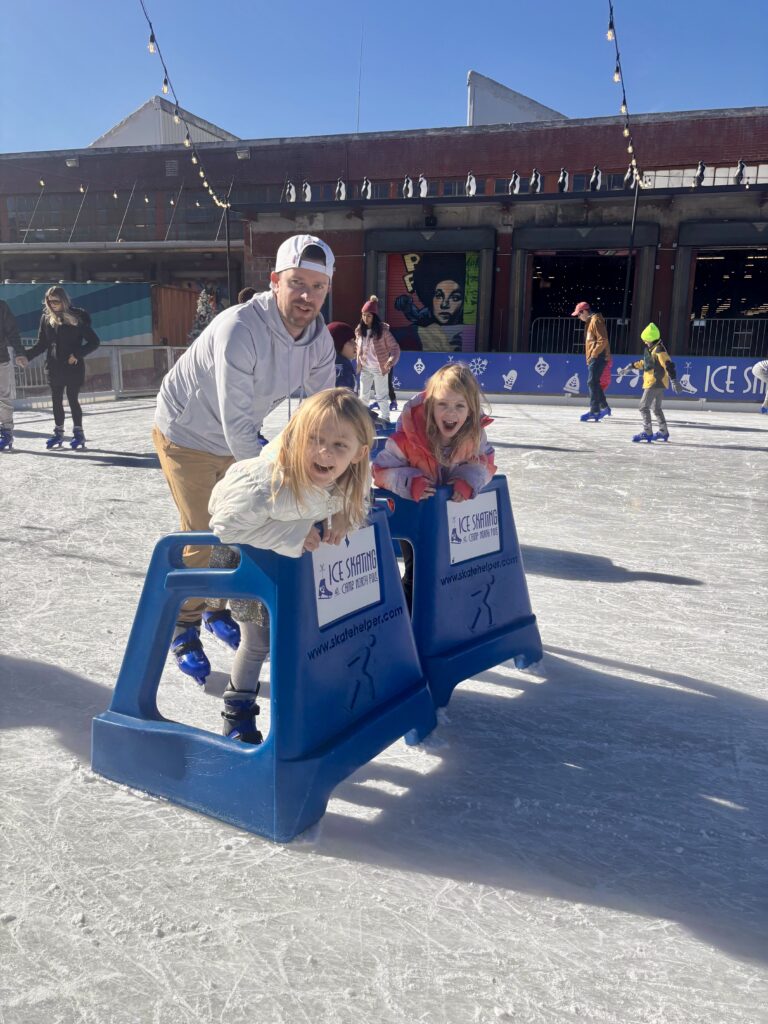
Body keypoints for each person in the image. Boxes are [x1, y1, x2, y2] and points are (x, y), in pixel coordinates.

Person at [152, 233, 338, 683]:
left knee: (243, 525)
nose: (307, 296)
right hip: (187, 433)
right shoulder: (240, 328)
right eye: (297, 283)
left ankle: (218, 609)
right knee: (204, 533)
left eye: (317, 286)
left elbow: (324, 421)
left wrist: (326, 484)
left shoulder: (319, 344)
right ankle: (184, 625)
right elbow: (236, 425)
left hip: (235, 434)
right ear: (274, 281)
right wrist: (279, 489)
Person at [207, 388, 374, 743]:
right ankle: (237, 713)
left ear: (358, 453)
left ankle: (309, 710)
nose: (324, 451)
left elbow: (353, 494)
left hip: (287, 560)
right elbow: (225, 526)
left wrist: (344, 514)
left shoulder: (345, 476)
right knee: (257, 643)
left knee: (303, 638)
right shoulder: (266, 481)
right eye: (315, 439)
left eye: (339, 446)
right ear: (298, 435)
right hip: (248, 558)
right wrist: (292, 536)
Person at [372, 362, 496, 611]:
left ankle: (444, 618)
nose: (451, 413)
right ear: (430, 406)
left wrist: (467, 479)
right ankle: (407, 624)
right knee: (418, 571)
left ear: (471, 409)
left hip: (452, 520)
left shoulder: (474, 437)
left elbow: (486, 464)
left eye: (459, 406)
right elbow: (381, 471)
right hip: (414, 518)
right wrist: (411, 482)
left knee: (451, 570)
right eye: (443, 404)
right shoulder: (408, 438)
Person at [15, 287, 100, 450]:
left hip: (72, 365)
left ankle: (78, 433)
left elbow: (94, 341)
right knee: (56, 400)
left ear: (63, 300)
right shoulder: (46, 318)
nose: (52, 304)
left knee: (72, 399)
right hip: (54, 366)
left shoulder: (77, 317)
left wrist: (77, 354)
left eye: (55, 301)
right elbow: (42, 344)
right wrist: (26, 356)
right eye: (49, 301)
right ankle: (59, 433)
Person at [393, 253, 469, 352]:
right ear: (429, 297)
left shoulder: (467, 328)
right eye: (438, 295)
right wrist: (407, 307)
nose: (444, 305)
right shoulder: (420, 326)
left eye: (454, 298)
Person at [621, 322, 681, 443]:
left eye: (646, 339)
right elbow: (646, 364)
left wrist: (674, 380)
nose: (645, 342)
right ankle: (663, 432)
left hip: (654, 382)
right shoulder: (653, 349)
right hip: (657, 383)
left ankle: (647, 432)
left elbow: (668, 365)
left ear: (652, 339)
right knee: (656, 408)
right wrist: (631, 366)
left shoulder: (659, 350)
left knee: (643, 407)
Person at [355, 296, 400, 423]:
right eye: (363, 315)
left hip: (380, 368)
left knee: (381, 395)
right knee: (363, 395)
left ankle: (385, 417)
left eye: (368, 316)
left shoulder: (383, 332)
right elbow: (358, 347)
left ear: (374, 316)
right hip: (365, 367)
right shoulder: (359, 331)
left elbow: (395, 347)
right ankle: (362, 419)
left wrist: (391, 360)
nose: (365, 318)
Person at [572, 301, 611, 422]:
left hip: (599, 356)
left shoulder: (596, 321)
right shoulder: (590, 322)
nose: (578, 317)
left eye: (579, 314)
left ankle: (595, 411)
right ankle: (604, 407)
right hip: (595, 357)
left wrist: (594, 354)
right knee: (594, 382)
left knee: (591, 382)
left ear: (584, 311)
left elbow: (603, 339)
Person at [0, 299, 22, 451]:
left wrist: (20, 352)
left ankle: (7, 432)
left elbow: (12, 330)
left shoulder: (1, 306)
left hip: (0, 359)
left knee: (3, 397)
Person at [327, 321, 357, 391]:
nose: (355, 345)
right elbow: (343, 396)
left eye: (354, 340)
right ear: (338, 344)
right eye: (350, 341)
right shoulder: (341, 367)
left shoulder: (334, 363)